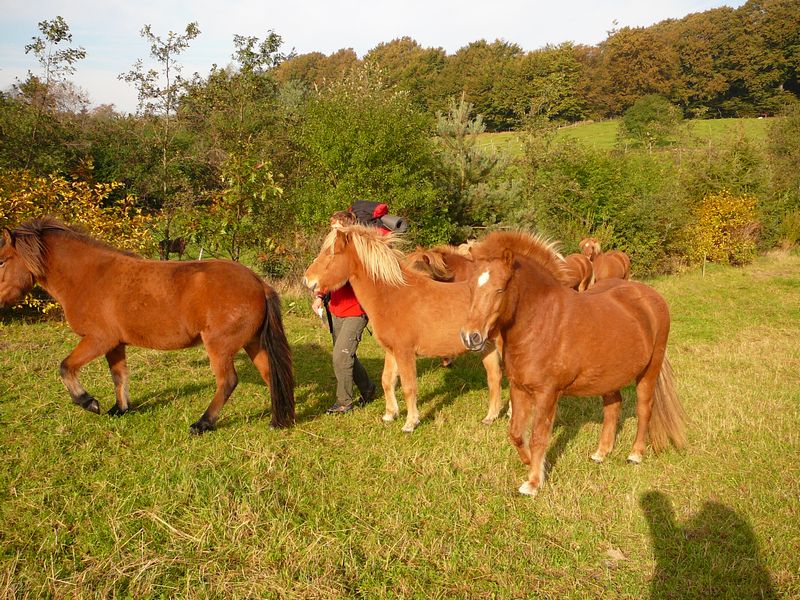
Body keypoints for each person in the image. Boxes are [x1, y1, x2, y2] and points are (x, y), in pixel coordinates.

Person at [312, 210, 381, 414]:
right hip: (336, 309)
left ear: (347, 228)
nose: (332, 232)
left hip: (356, 311)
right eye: (332, 228)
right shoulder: (334, 251)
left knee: (341, 357)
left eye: (336, 228)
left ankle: (344, 402)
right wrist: (319, 296)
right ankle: (368, 388)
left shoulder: (358, 252)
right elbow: (327, 275)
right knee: (344, 353)